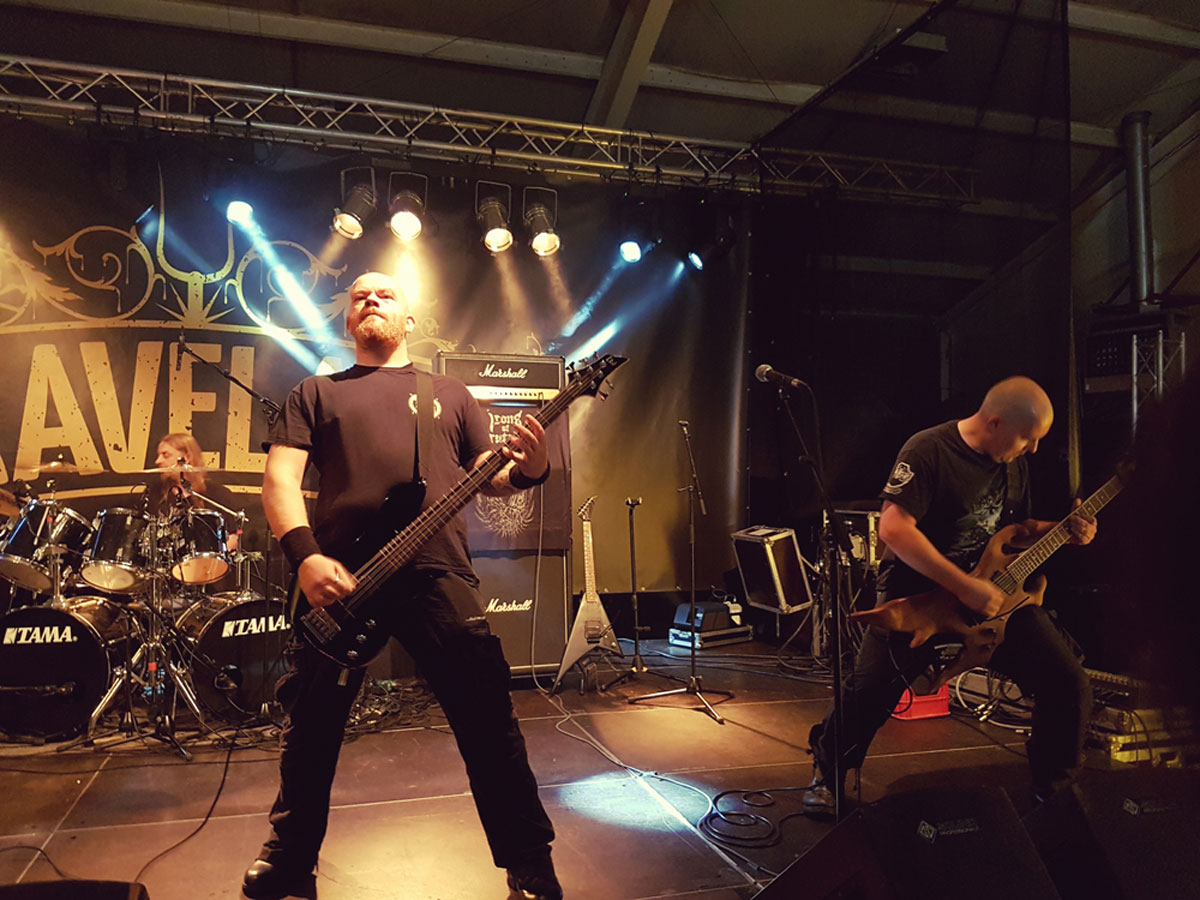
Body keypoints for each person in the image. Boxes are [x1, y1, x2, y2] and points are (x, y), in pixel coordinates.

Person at [242, 271, 561, 900]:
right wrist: (304, 557)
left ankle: (529, 861)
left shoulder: (449, 393)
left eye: (385, 293)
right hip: (343, 579)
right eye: (359, 295)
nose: (371, 299)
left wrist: (531, 469)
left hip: (436, 568)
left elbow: (487, 476)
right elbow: (280, 481)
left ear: (409, 320)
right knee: (311, 728)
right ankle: (289, 858)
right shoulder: (316, 392)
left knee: (488, 720)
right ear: (347, 320)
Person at [805, 376, 1097, 815]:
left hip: (991, 599)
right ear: (995, 422)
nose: (1034, 449)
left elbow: (1014, 531)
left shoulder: (1012, 461)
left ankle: (1053, 795)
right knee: (870, 694)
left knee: (1067, 681)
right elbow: (893, 528)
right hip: (920, 598)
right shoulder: (929, 450)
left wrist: (1063, 532)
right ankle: (826, 773)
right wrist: (963, 586)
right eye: (1027, 438)